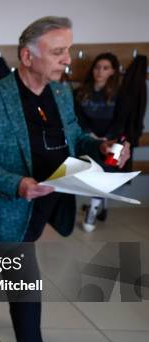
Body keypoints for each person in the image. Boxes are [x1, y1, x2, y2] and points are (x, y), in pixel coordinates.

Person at [0, 17, 130, 342]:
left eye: (67, 50)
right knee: (25, 290)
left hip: (49, 204)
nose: (67, 60)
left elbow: (75, 136)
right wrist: (17, 184)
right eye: (57, 52)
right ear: (27, 56)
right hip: (11, 207)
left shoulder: (61, 94)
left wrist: (100, 146)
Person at [74, 53, 121, 231]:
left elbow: (121, 119)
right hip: (88, 138)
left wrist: (108, 138)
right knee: (90, 170)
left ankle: (93, 208)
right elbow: (77, 117)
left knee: (108, 169)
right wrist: (91, 135)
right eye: (97, 67)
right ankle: (95, 203)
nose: (100, 72)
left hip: (114, 140)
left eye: (105, 68)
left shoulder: (120, 93)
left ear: (113, 71)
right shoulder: (81, 92)